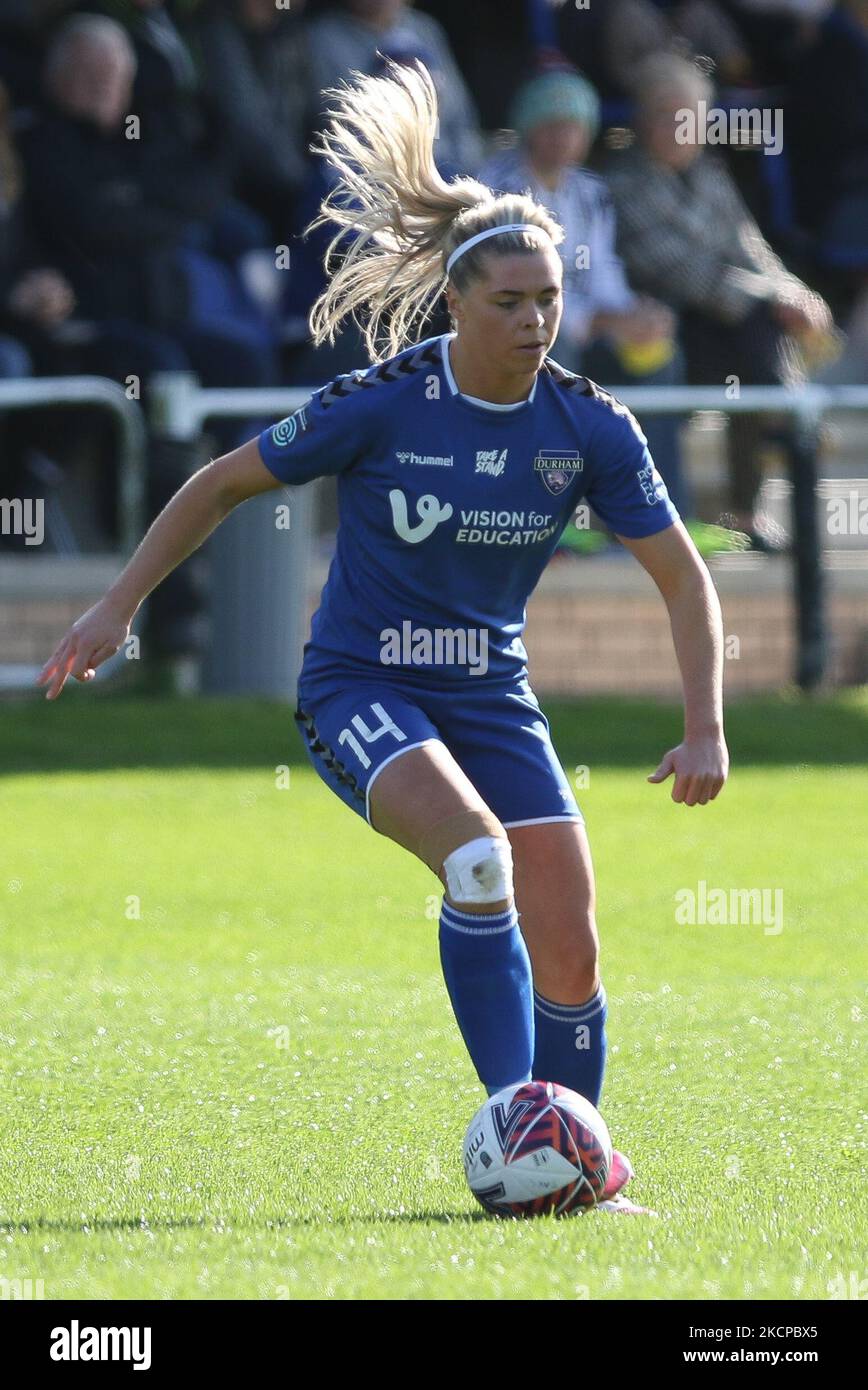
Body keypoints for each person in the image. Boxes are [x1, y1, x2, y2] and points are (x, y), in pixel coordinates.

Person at [37, 59, 729, 1216]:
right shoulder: (384, 400)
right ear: (456, 304)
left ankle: (579, 1185)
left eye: (547, 298)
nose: (531, 319)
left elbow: (684, 576)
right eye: (507, 301)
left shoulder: (587, 427)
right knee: (475, 860)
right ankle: (527, 1135)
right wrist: (119, 605)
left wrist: (703, 720)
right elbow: (218, 482)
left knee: (572, 947)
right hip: (360, 685)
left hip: (492, 695)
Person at [605, 53, 835, 550]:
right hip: (667, 325)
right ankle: (793, 422)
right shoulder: (623, 182)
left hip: (731, 330)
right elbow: (672, 268)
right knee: (762, 337)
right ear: (644, 118)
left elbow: (753, 251)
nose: (680, 127)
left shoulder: (711, 177)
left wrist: (794, 293)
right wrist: (771, 299)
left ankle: (753, 502)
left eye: (691, 116)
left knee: (763, 340)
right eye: (667, 113)